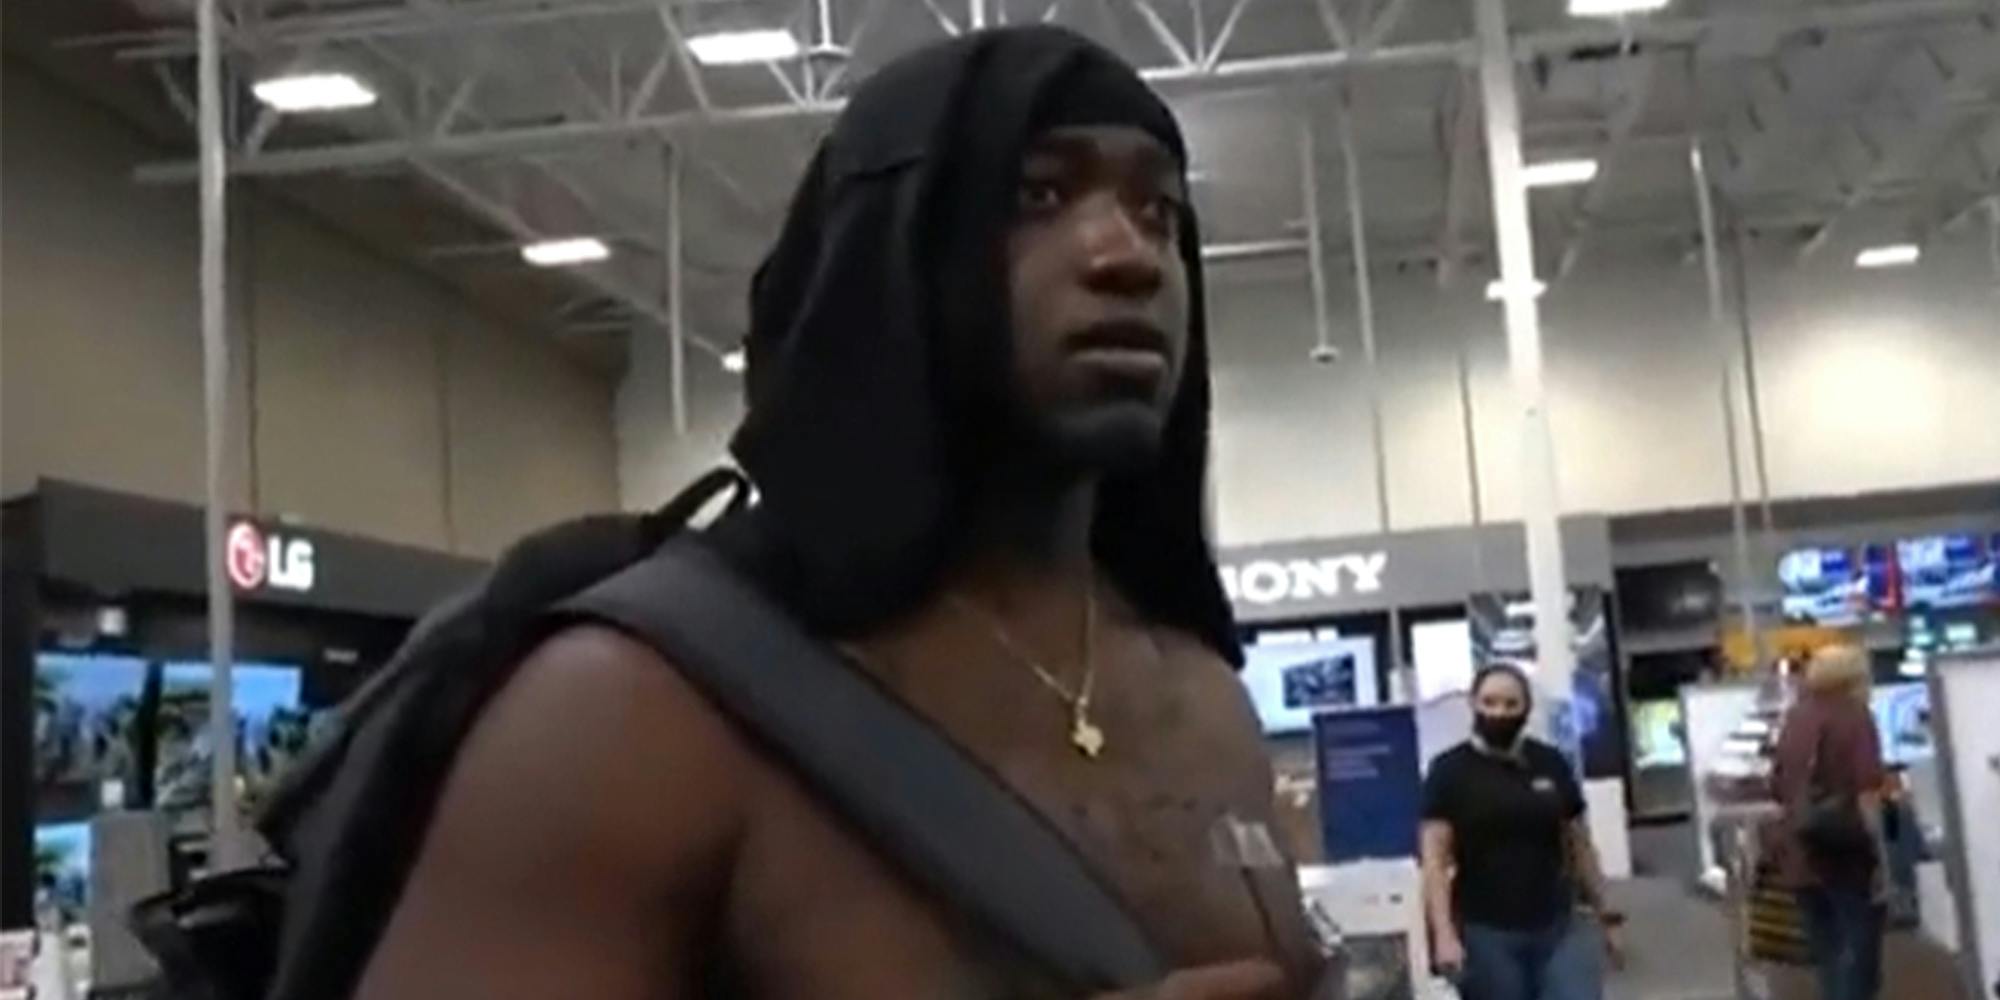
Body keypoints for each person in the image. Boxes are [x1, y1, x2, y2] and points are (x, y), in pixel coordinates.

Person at [353, 26, 1323, 1000]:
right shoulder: (632, 712)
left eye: (1159, 210)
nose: (1129, 255)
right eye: (1038, 195)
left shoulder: (1203, 701)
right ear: (893, 251)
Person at [1419, 663, 1618, 1000]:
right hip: (1485, 930)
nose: (1500, 713)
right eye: (1490, 703)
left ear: (1526, 708)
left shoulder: (1550, 763)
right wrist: (1444, 935)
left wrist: (1607, 914)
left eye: (1511, 705)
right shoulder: (1449, 771)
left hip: (1558, 923)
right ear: (1474, 704)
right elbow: (1434, 861)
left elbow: (1579, 843)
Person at [1772, 645, 1887, 1000]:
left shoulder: (1795, 717)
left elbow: (1777, 786)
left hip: (1802, 853)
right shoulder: (1855, 717)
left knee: (1829, 958)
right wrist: (1881, 858)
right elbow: (1867, 792)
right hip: (1846, 855)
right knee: (1858, 960)